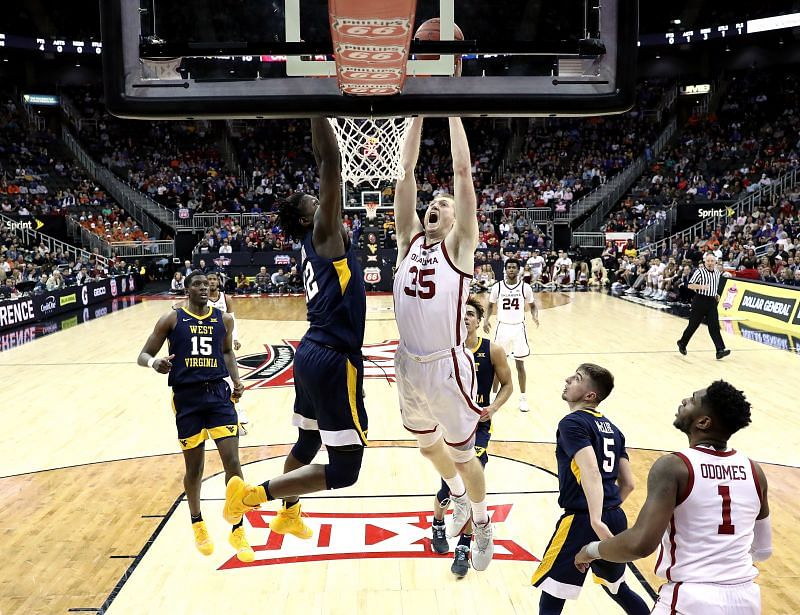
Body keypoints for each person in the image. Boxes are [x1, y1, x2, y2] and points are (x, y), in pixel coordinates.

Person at [222, 118, 368, 540]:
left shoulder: (315, 241)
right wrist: (316, 106)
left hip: (311, 353)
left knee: (306, 446)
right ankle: (251, 496)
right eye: (315, 203)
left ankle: (289, 514)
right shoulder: (324, 235)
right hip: (333, 358)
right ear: (309, 219)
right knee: (345, 470)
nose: (323, 205)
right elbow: (330, 163)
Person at [392, 116, 495, 572]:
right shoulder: (406, 241)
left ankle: (482, 519)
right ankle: (455, 495)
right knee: (426, 446)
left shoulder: (460, 247)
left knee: (461, 453)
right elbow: (405, 172)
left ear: (456, 220)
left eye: (444, 205)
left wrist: (450, 109)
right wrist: (418, 110)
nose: (435, 205)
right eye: (432, 203)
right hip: (408, 363)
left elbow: (462, 173)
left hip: (446, 364)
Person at [575, 381, 771, 614]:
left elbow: (640, 544)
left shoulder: (675, 466)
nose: (684, 401)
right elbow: (763, 549)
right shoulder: (754, 471)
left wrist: (591, 550)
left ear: (703, 422)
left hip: (691, 600)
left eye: (692, 400)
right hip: (746, 600)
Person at [137, 270, 253, 562]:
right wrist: (155, 362)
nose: (205, 288)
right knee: (195, 468)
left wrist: (237, 381)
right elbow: (143, 354)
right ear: (186, 289)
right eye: (198, 284)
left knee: (233, 461)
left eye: (208, 284)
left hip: (217, 395)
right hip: (187, 398)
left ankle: (238, 527)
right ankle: (197, 521)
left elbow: (227, 354)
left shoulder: (224, 319)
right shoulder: (171, 319)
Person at [532, 364, 649, 615]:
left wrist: (595, 518)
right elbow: (629, 483)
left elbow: (591, 471)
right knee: (619, 589)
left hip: (583, 519)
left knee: (552, 592)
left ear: (590, 395)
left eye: (577, 378)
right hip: (615, 517)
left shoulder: (572, 423)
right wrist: (607, 509)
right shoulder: (615, 431)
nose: (568, 379)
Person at [431, 297, 513, 577]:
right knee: (447, 489)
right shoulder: (443, 350)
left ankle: (464, 546)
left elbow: (507, 384)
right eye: (460, 314)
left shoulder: (493, 350)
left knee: (472, 484)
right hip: (448, 424)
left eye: (470, 314)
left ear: (479, 320)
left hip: (478, 426)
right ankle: (438, 522)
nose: (464, 318)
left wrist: (494, 407)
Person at [484, 258, 539, 412]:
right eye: (509, 267)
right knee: (496, 365)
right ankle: (492, 397)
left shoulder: (525, 288)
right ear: (505, 269)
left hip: (518, 329)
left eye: (514, 267)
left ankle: (523, 399)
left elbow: (533, 306)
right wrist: (486, 320)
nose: (511, 270)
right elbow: (490, 305)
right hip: (502, 328)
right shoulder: (498, 287)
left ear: (518, 269)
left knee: (520, 364)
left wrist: (534, 316)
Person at [204, 271, 248, 429]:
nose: (212, 282)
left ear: (218, 281)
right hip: (209, 343)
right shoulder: (201, 300)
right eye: (209, 279)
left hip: (225, 343)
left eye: (214, 279)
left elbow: (232, 319)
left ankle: (239, 410)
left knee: (232, 377)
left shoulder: (226, 298)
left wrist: (235, 338)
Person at [677, 252, 731, 359]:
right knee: (693, 325)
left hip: (711, 302)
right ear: (705, 262)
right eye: (708, 261)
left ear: (715, 262)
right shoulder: (700, 272)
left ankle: (720, 350)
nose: (710, 263)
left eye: (712, 261)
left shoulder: (716, 272)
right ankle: (682, 343)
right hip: (700, 300)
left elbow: (714, 285)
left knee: (714, 326)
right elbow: (690, 285)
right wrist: (702, 286)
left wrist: (716, 294)